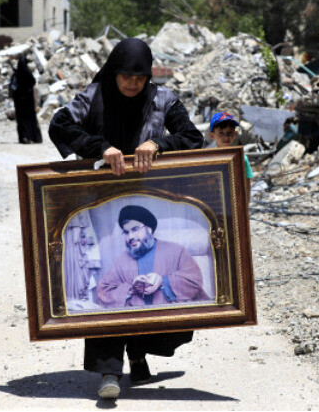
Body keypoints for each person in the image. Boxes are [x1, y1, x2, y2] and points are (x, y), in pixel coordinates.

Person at [48, 37, 204, 400]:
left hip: (149, 196)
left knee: (150, 282)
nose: (133, 84)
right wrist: (99, 147)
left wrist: (159, 145)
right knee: (112, 281)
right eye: (125, 77)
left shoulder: (163, 99)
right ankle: (109, 371)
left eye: (140, 78)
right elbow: (60, 126)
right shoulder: (93, 96)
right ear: (113, 72)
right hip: (103, 200)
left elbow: (192, 137)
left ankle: (137, 353)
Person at [97, 205, 210, 308]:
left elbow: (194, 282)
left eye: (135, 229)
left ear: (149, 229)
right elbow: (103, 292)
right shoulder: (121, 260)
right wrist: (131, 289)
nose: (130, 236)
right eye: (126, 232)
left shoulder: (176, 251)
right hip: (138, 321)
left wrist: (163, 281)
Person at [209, 112, 254, 203]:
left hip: (235, 203)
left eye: (229, 133)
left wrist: (245, 207)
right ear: (212, 135)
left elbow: (247, 184)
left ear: (235, 134)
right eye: (221, 133)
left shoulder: (241, 158)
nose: (226, 137)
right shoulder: (208, 159)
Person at [10, 56, 43, 144]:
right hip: (28, 101)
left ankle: (24, 137)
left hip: (19, 101)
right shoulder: (27, 73)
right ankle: (34, 137)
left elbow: (12, 87)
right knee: (30, 119)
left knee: (21, 119)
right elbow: (33, 81)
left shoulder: (16, 74)